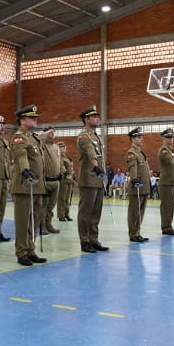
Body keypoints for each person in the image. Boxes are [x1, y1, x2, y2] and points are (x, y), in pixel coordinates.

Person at [10, 105, 47, 266]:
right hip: (25, 185)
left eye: (36, 117)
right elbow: (22, 156)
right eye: (32, 118)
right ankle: (21, 251)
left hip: (37, 186)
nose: (35, 120)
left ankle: (31, 249)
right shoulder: (19, 138)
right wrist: (26, 170)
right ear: (22, 120)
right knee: (23, 220)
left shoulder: (35, 138)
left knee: (35, 219)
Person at [76, 106, 109, 252]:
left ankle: (93, 239)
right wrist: (96, 166)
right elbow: (91, 152)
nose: (97, 118)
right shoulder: (84, 136)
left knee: (96, 212)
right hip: (89, 178)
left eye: (97, 116)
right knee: (86, 212)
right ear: (86, 119)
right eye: (94, 116)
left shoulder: (97, 136)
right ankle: (84, 241)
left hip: (99, 180)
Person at [125, 127, 150, 242]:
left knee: (141, 212)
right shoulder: (131, 153)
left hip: (144, 187)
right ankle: (133, 233)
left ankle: (138, 232)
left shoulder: (140, 153)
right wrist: (134, 179)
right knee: (134, 212)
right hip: (136, 187)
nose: (142, 139)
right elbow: (133, 168)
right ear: (133, 139)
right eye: (139, 137)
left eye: (142, 137)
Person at [158, 128, 174, 235]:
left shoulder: (171, 151)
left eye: (171, 137)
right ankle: (165, 227)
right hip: (166, 181)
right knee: (166, 205)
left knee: (171, 205)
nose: (170, 139)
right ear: (163, 138)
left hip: (172, 181)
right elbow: (171, 162)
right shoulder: (163, 150)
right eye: (168, 137)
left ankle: (169, 226)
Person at [40, 125, 61, 234]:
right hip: (46, 180)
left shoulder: (56, 147)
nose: (52, 134)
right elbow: (38, 138)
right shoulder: (41, 145)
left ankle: (49, 224)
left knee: (51, 206)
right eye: (49, 132)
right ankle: (42, 226)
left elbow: (59, 162)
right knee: (43, 205)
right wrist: (44, 133)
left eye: (53, 132)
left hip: (56, 180)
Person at [57, 142, 75, 222]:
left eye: (64, 147)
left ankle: (67, 214)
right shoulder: (59, 157)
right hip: (63, 180)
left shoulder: (67, 158)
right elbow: (61, 167)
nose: (64, 148)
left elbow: (70, 168)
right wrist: (65, 172)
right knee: (62, 198)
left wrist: (73, 174)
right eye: (62, 147)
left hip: (69, 180)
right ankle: (61, 215)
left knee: (67, 199)